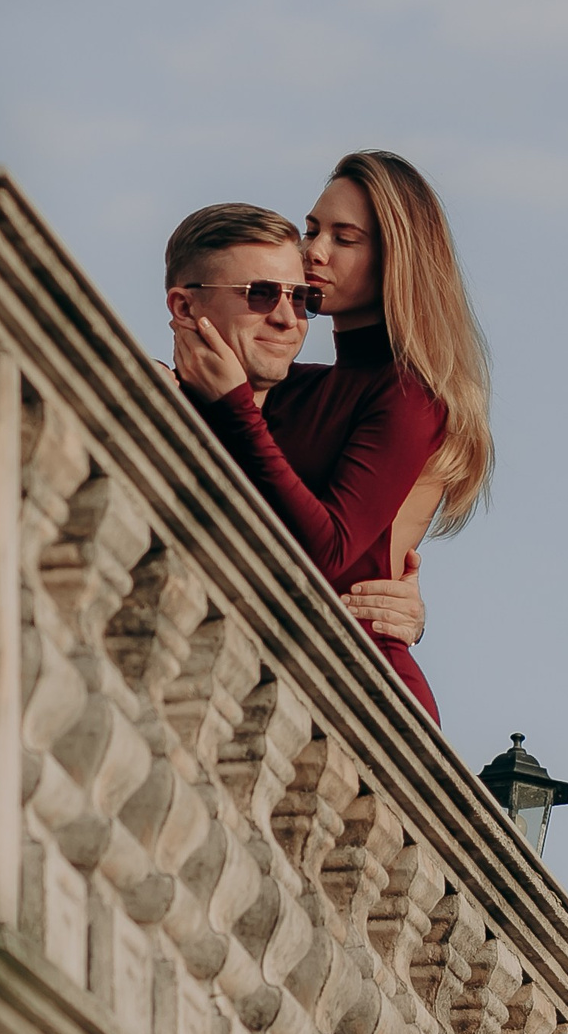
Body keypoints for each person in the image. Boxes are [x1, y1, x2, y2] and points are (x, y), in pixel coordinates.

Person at [167, 154, 493, 722]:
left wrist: (235, 408)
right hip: (262, 669)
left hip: (364, 693)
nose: (313, 251)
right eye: (312, 229)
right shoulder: (292, 385)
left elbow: (331, 556)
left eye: (345, 239)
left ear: (394, 260)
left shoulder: (410, 396)